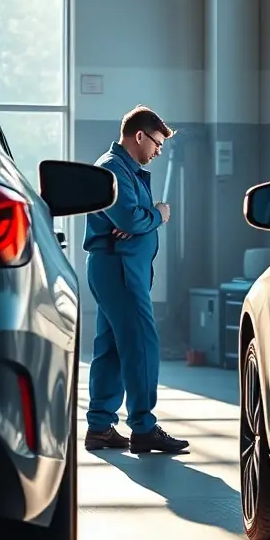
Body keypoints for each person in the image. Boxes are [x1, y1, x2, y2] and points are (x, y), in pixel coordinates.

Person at [83, 106, 190, 455]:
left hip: (121, 268)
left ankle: (100, 427)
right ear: (139, 136)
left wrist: (140, 219)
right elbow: (130, 219)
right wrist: (158, 214)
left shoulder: (128, 172)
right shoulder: (113, 170)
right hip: (120, 269)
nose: (159, 151)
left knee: (112, 347)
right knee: (142, 344)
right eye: (157, 143)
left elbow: (130, 219)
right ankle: (143, 428)